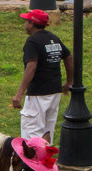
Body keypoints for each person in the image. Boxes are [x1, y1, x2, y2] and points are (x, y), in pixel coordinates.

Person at [11, 9, 74, 144]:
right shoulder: (53, 38)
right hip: (54, 92)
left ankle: (33, 163)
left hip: (38, 94)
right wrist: (69, 82)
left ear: (32, 24)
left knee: (31, 134)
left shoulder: (32, 41)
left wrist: (19, 92)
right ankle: (46, 160)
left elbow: (31, 66)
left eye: (26, 21)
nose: (24, 24)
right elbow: (68, 57)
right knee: (47, 131)